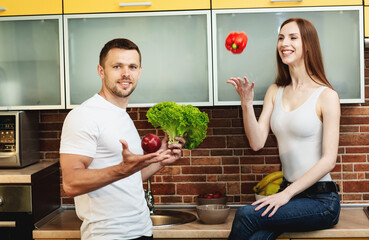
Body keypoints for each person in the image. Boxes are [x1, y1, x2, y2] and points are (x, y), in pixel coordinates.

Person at [226, 18, 341, 240]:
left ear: (308, 45)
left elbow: (329, 160)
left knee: (245, 215)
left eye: (292, 38)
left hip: (321, 201)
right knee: (256, 237)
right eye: (280, 38)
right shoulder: (275, 91)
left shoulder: (327, 96)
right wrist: (246, 103)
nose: (283, 43)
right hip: (288, 194)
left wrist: (285, 195)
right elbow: (257, 143)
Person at [59, 38, 185, 240]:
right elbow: (71, 184)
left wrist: (160, 160)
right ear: (101, 71)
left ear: (139, 72)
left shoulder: (123, 116)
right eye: (117, 66)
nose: (126, 73)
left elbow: (127, 178)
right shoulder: (84, 115)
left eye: (132, 66)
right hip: (108, 235)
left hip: (141, 231)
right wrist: (122, 168)